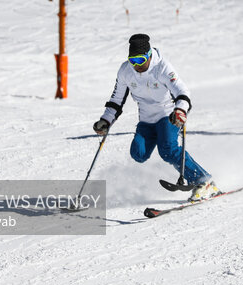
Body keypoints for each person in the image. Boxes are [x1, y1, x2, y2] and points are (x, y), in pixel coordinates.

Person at [92, 34, 219, 201]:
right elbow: (116, 99)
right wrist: (106, 120)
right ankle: (180, 168)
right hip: (146, 119)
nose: (136, 65)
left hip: (168, 115)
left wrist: (180, 110)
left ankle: (204, 181)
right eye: (133, 60)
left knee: (167, 150)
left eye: (140, 60)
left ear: (149, 55)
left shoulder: (162, 67)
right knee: (138, 154)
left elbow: (182, 92)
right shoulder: (125, 71)